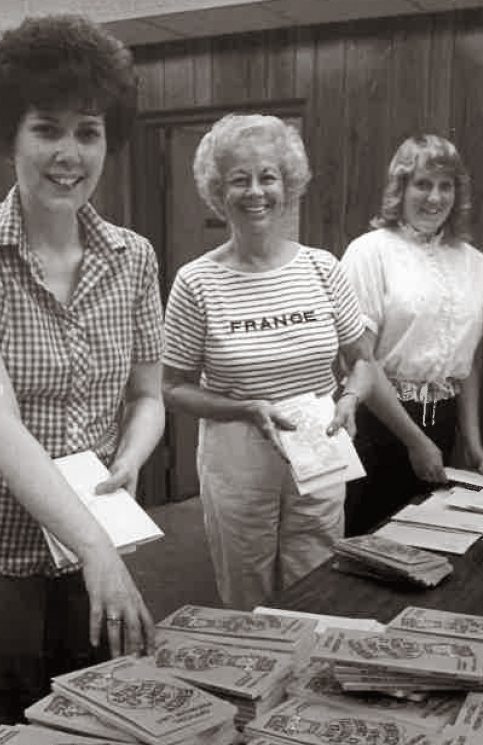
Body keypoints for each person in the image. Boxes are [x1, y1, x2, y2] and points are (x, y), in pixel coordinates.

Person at [0, 15, 165, 745]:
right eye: (46, 130)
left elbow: (149, 394)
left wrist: (129, 458)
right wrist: (97, 549)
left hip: (88, 513)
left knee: (86, 712)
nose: (69, 153)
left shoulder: (133, 258)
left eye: (87, 132)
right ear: (10, 136)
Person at [162, 113, 380, 610]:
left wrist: (349, 399)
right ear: (219, 192)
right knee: (247, 588)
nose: (256, 191)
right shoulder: (197, 282)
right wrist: (244, 409)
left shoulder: (322, 268)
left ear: (288, 184)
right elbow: (171, 387)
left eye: (268, 177)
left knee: (318, 575)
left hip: (318, 441)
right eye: (240, 179)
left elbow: (362, 361)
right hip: (238, 450)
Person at [341, 134, 483, 536]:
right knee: (371, 542)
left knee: (426, 545)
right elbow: (361, 360)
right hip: (379, 423)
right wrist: (415, 442)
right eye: (422, 184)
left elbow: (469, 358)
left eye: (446, 186)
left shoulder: (474, 262)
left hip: (443, 422)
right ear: (400, 189)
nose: (435, 197)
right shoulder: (369, 252)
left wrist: (473, 440)